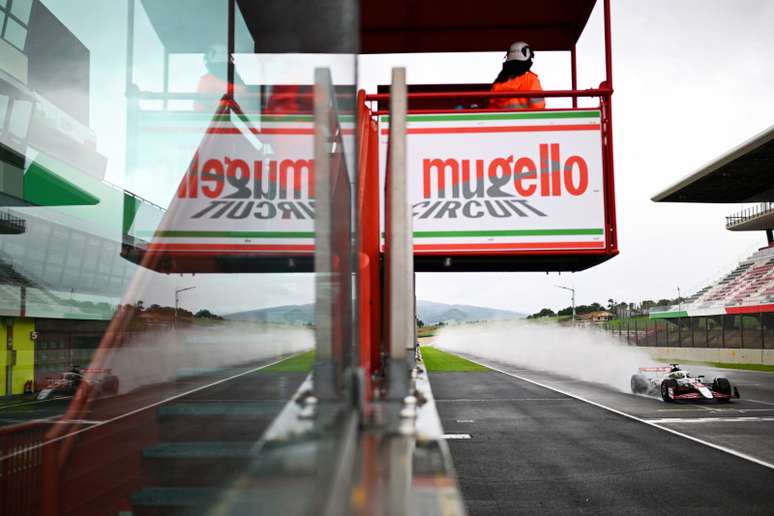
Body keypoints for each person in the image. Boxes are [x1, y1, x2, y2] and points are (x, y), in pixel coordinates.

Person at [489, 41, 545, 110]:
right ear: (528, 60)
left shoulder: (499, 83)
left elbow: (492, 108)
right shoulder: (531, 79)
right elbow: (538, 107)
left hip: (502, 117)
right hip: (526, 117)